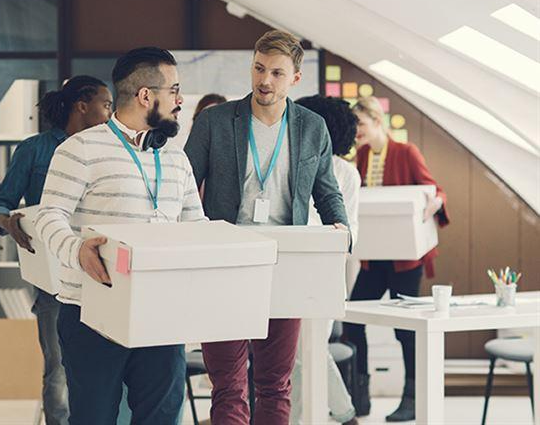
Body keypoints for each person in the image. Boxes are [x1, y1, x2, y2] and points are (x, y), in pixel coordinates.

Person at [184, 29, 350, 425]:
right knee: (228, 384)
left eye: (276, 73)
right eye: (259, 69)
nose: (264, 81)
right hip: (226, 259)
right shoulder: (215, 122)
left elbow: (327, 193)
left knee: (276, 384)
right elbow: (184, 187)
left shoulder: (312, 128)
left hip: (285, 262)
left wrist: (342, 231)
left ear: (295, 78)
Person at [34, 47, 206, 425]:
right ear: (146, 95)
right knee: (94, 417)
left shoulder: (176, 158)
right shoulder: (79, 149)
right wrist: (77, 250)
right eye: (174, 90)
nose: (180, 100)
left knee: (160, 418)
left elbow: (197, 228)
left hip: (161, 313)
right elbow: (48, 216)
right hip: (93, 313)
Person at [0, 75, 113, 425]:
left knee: (105, 369)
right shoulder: (35, 150)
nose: (110, 113)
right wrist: (8, 223)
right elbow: (0, 204)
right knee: (57, 368)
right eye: (106, 104)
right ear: (82, 105)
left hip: (101, 274)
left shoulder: (108, 149)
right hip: (53, 275)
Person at [343, 96, 450, 422]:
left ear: (376, 120)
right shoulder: (360, 156)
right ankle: (358, 396)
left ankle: (412, 399)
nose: (356, 131)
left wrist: (434, 203)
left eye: (360, 124)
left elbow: (436, 190)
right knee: (352, 319)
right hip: (374, 258)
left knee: (406, 331)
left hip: (405, 259)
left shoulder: (406, 152)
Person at [289, 95, 361, 425]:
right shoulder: (295, 161)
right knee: (300, 356)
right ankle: (344, 414)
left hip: (322, 275)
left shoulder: (344, 172)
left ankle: (340, 414)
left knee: (307, 353)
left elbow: (346, 232)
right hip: (291, 272)